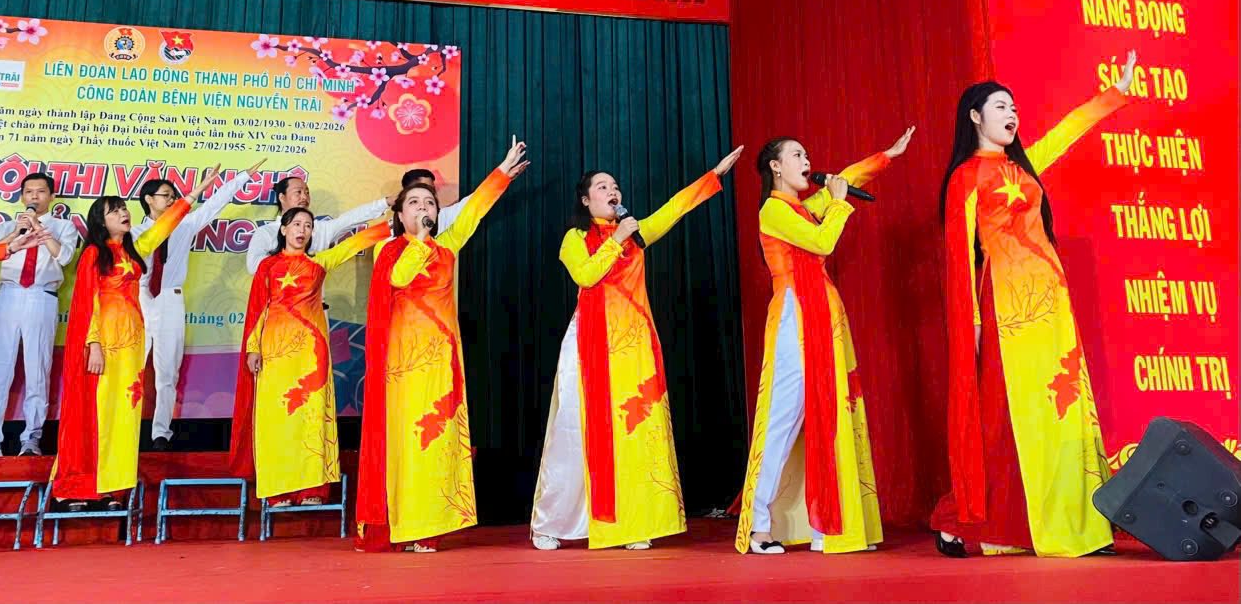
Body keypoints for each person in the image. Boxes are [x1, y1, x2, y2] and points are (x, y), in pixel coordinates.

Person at [931, 52, 1136, 558]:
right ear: (975, 116)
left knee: (1063, 412)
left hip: (1052, 305)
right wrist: (971, 324)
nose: (1012, 114)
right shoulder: (965, 178)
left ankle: (1078, 524)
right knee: (1008, 419)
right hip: (1007, 309)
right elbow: (959, 257)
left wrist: (1114, 95)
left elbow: (1066, 133)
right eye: (1001, 106)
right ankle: (974, 520)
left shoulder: (1022, 167)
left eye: (1014, 107)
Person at [530, 146, 744, 552]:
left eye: (614, 186)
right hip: (589, 344)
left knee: (634, 430)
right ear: (585, 200)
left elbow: (675, 208)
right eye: (602, 186)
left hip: (632, 346)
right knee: (575, 430)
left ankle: (631, 522)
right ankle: (553, 522)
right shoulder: (575, 238)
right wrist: (616, 242)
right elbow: (586, 276)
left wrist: (714, 175)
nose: (612, 191)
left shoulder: (637, 233)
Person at [736, 127, 915, 555]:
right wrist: (837, 203)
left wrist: (885, 156)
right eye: (797, 155)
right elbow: (821, 242)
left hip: (824, 314)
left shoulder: (802, 208)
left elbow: (846, 177)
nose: (807, 162)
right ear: (776, 167)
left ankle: (832, 525)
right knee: (783, 419)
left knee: (832, 411)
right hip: (794, 317)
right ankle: (759, 525)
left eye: (807, 155)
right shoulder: (773, 211)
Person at [356, 138, 528, 553]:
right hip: (403, 367)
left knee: (436, 443)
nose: (423, 208)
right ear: (399, 214)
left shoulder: (448, 248)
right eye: (414, 203)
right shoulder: (387, 250)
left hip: (441, 364)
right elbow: (399, 278)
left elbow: (473, 211)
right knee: (408, 444)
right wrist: (419, 241)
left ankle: (429, 526)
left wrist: (502, 173)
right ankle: (403, 523)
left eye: (430, 203)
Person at [49, 167, 222, 510]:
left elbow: (167, 223)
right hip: (104, 347)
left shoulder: (135, 250)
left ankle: (113, 487)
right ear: (101, 222)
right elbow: (88, 301)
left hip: (130, 348)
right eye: (114, 211)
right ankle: (79, 485)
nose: (123, 213)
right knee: (95, 415)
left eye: (123, 208)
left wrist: (197, 191)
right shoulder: (94, 254)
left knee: (124, 417)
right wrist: (93, 344)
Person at [228, 207, 392, 507]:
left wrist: (389, 226)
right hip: (276, 355)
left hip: (311, 356)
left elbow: (351, 245)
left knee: (311, 419)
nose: (302, 230)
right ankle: (278, 491)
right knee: (277, 420)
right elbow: (257, 309)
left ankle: (311, 489)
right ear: (283, 230)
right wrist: (253, 348)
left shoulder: (318, 263)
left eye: (307, 225)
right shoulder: (268, 267)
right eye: (296, 224)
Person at [135, 160, 263, 450]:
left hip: (170, 299)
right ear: (149, 199)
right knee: (131, 367)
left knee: (167, 371)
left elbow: (215, 204)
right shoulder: (135, 233)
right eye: (166, 196)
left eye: (173, 196)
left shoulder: (186, 226)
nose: (171, 200)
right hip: (140, 298)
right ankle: (124, 428)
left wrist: (242, 176)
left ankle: (160, 433)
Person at [0, 173, 79, 458]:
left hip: (42, 296)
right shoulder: (7, 226)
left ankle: (31, 437)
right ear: (21, 196)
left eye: (40, 191)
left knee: (37, 368)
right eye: (29, 192)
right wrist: (16, 233)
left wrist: (40, 229)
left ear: (51, 196)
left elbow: (64, 257)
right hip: (9, 295)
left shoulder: (64, 227)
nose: (34, 197)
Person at [245, 177, 391, 275]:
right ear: (282, 197)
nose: (304, 197)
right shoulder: (266, 232)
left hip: (315, 308)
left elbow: (352, 218)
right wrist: (295, 262)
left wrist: (386, 202)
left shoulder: (321, 229)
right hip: (278, 308)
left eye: (307, 193)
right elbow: (253, 265)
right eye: (298, 192)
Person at [399, 168, 470, 235]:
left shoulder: (442, 217)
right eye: (426, 188)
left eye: (432, 189)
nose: (430, 193)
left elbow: (472, 201)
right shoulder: (394, 230)